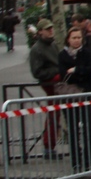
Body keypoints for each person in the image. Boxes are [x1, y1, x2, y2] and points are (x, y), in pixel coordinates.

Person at [58, 26, 91, 172]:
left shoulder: (86, 53)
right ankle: (76, 163)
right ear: (68, 39)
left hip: (86, 94)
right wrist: (82, 71)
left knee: (89, 129)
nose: (76, 40)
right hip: (70, 96)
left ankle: (89, 162)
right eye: (74, 38)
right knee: (73, 131)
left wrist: (76, 70)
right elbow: (63, 74)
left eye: (79, 38)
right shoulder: (63, 55)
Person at [29, 18, 61, 157]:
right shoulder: (37, 49)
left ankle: (50, 145)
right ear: (41, 32)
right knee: (55, 110)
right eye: (47, 29)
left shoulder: (52, 45)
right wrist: (56, 72)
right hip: (50, 81)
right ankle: (49, 145)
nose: (51, 31)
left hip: (56, 78)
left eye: (51, 28)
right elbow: (37, 72)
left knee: (55, 111)